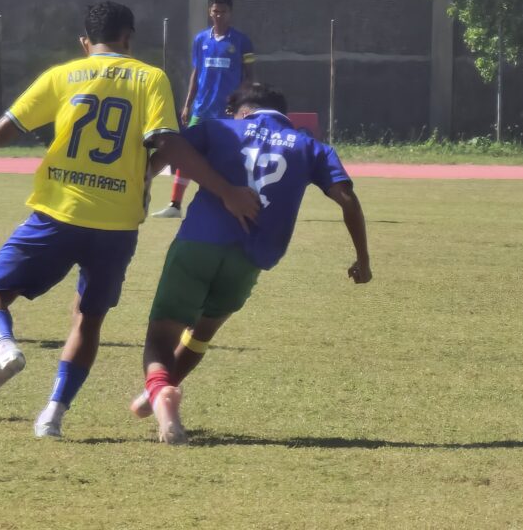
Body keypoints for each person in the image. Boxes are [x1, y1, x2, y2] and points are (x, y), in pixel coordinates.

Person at [0, 1, 260, 439]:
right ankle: (53, 415)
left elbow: (3, 129)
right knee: (87, 319)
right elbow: (169, 145)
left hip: (59, 212)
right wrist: (227, 190)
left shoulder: (62, 75)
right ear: (128, 38)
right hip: (117, 226)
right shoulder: (151, 77)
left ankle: (4, 348)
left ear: (86, 42)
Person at [134, 82, 372, 445]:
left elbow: (169, 148)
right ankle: (160, 390)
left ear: (243, 112)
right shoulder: (310, 145)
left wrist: (146, 179)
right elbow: (348, 200)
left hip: (199, 242)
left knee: (160, 336)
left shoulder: (220, 127)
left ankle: (163, 395)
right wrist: (362, 259)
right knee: (202, 334)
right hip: (251, 258)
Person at [153, 0, 255, 219]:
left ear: (231, 13)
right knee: (186, 153)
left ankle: (231, 200)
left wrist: (243, 103)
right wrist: (188, 104)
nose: (219, 15)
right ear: (210, 12)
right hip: (201, 109)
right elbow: (196, 73)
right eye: (215, 11)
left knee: (229, 157)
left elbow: (249, 75)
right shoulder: (201, 40)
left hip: (228, 112)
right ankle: (175, 205)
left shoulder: (241, 41)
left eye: (224, 12)